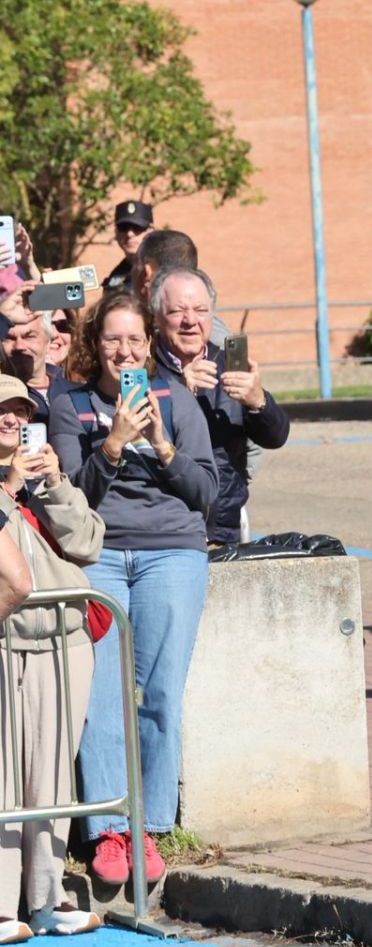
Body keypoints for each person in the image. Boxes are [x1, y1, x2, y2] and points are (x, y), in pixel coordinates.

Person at [48, 289, 217, 889]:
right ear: (94, 346)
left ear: (150, 346)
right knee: (100, 694)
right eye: (112, 339)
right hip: (99, 555)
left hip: (171, 551)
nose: (124, 351)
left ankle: (147, 822)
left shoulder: (176, 400)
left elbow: (205, 494)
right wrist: (115, 444)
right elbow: (71, 500)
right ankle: (108, 828)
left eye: (134, 340)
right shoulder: (69, 404)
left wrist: (162, 446)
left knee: (159, 691)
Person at [0, 375, 105, 942]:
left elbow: (88, 542)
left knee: (52, 777)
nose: (12, 422)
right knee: (4, 775)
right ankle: (0, 903)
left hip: (64, 641)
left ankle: (48, 897)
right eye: (2, 412)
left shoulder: (44, 479)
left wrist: (57, 483)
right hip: (6, 639)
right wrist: (8, 487)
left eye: (20, 413)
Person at [151, 268, 290, 547]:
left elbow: (276, 437)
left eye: (201, 310)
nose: (190, 321)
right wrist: (176, 389)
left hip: (221, 530)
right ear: (156, 316)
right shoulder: (141, 366)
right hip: (161, 528)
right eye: (178, 311)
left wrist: (258, 402)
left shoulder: (228, 365)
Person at [2, 313, 54, 421]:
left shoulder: (76, 392)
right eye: (10, 338)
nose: (19, 346)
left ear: (48, 342)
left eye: (29, 337)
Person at [101, 201, 153, 293]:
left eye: (137, 228)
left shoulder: (161, 270)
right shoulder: (117, 273)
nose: (129, 234)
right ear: (116, 233)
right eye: (123, 228)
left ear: (150, 232)